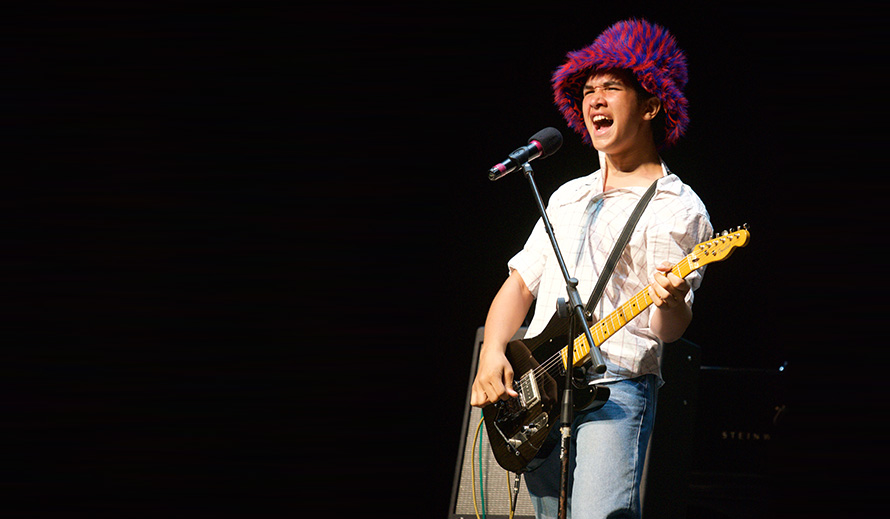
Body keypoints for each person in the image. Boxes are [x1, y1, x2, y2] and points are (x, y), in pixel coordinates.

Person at [470, 19, 713, 519]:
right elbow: (519, 284)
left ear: (651, 105)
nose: (595, 99)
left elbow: (667, 330)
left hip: (616, 385)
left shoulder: (677, 205)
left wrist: (670, 302)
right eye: (587, 91)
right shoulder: (568, 195)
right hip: (542, 383)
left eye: (611, 88)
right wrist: (493, 352)